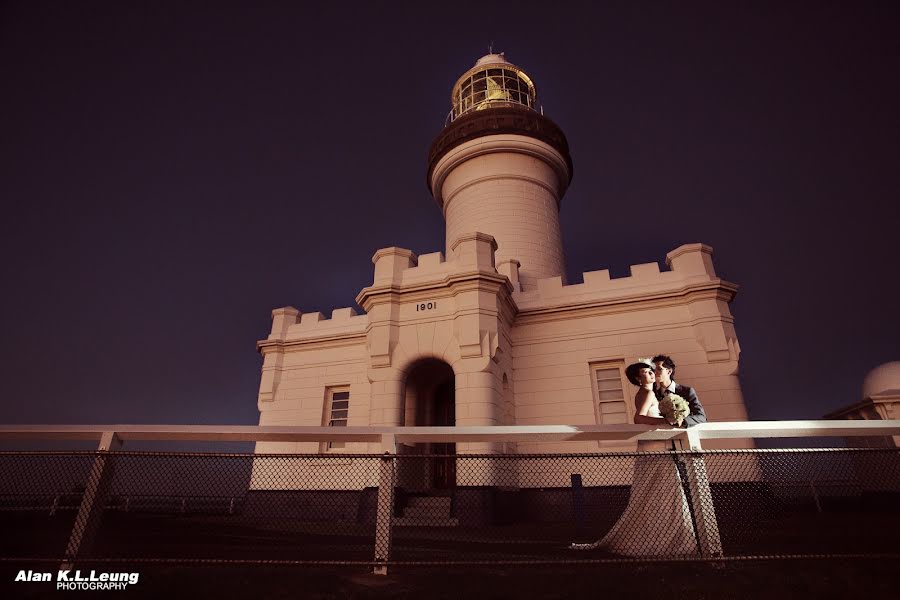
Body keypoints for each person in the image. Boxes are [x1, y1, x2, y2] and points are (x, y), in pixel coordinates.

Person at [569, 358, 698, 556]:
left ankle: (666, 535)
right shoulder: (646, 392)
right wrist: (667, 420)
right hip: (654, 448)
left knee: (660, 494)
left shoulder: (651, 392)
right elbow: (639, 418)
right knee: (659, 492)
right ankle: (659, 539)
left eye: (651, 370)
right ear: (638, 379)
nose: (651, 373)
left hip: (657, 446)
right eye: (646, 372)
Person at [652, 355, 706, 427]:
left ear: (669, 371)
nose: (655, 372)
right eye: (653, 370)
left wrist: (682, 420)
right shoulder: (654, 395)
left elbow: (701, 417)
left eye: (659, 369)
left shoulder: (687, 391)